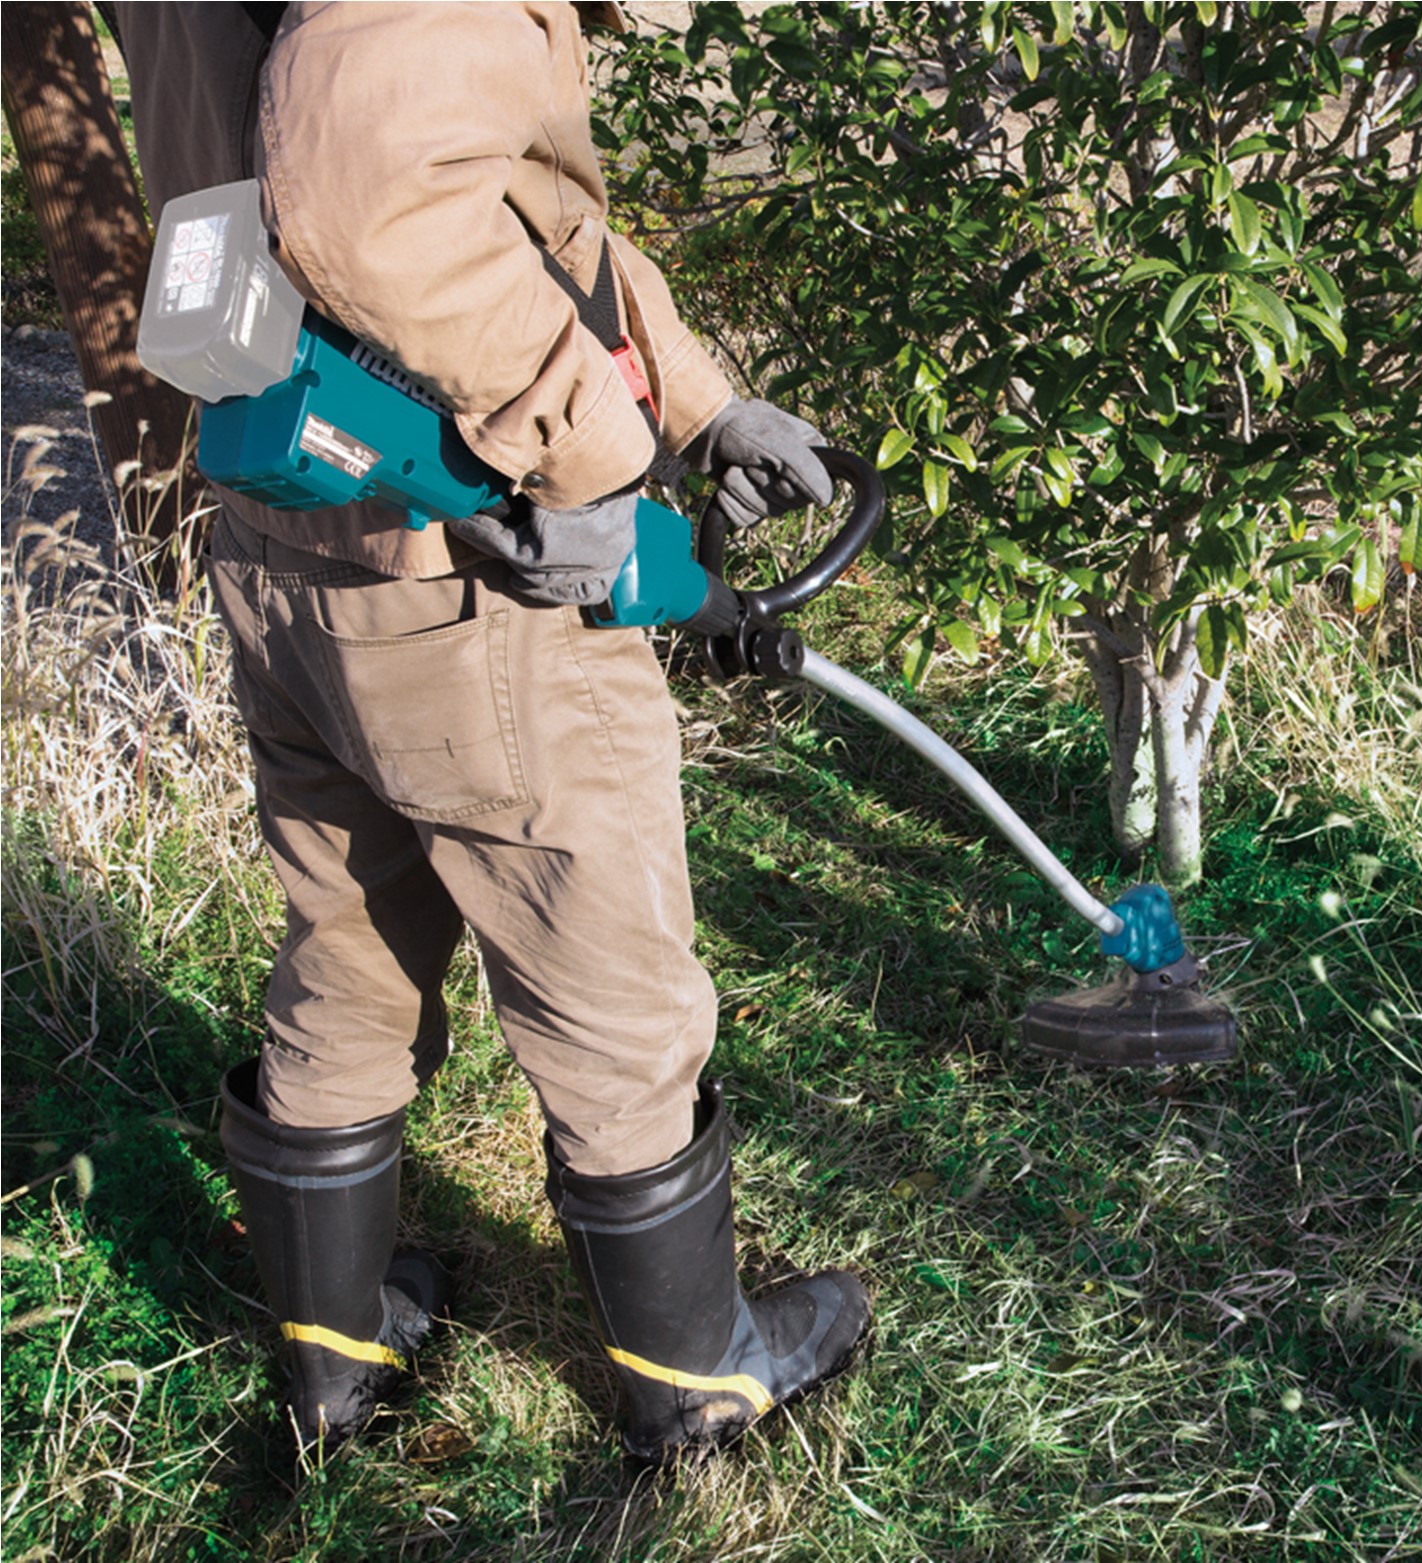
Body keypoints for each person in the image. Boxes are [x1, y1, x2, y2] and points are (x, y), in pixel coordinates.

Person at [116, 1, 870, 1464]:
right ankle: (694, 1376)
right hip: (472, 579)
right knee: (610, 985)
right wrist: (592, 450)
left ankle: (337, 1359)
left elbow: (497, 206)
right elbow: (367, 188)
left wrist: (700, 400)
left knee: (343, 951)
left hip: (288, 538)